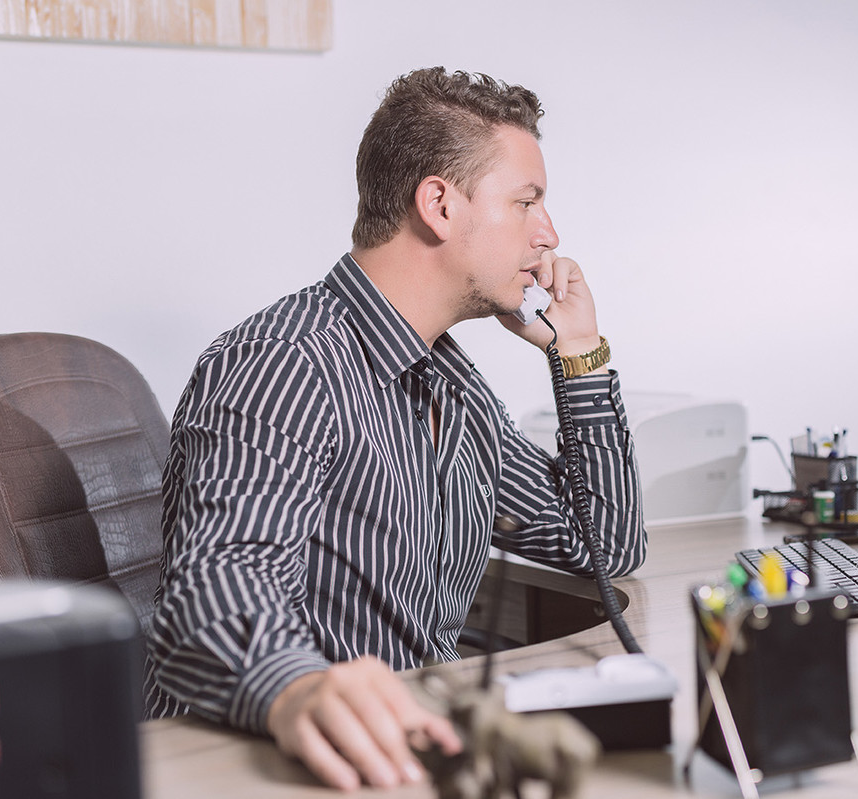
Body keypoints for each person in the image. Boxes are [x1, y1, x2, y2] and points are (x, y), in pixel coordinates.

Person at [144, 67, 647, 791]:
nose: (550, 232)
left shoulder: (450, 383)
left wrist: (580, 355)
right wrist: (297, 687)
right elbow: (218, 590)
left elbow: (602, 539)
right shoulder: (287, 364)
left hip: (412, 752)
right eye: (527, 201)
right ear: (440, 205)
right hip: (278, 765)